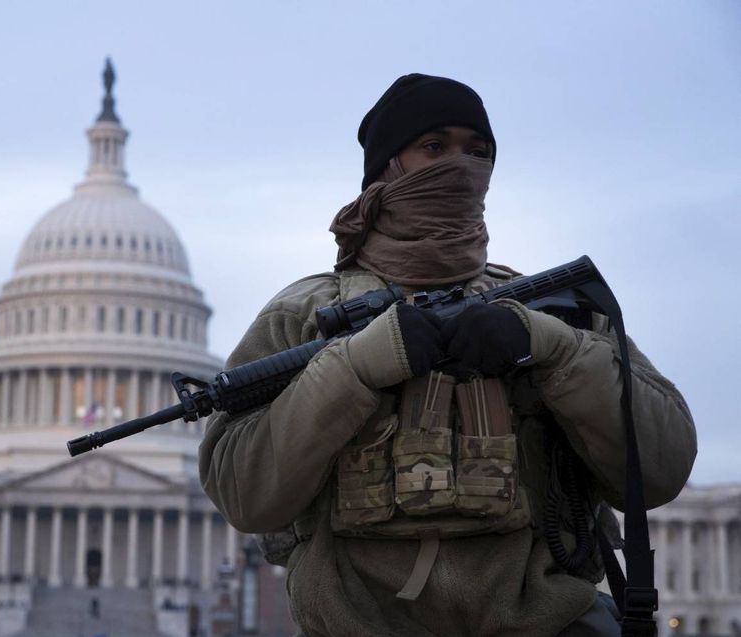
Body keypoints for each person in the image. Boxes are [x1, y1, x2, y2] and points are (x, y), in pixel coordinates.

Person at [198, 74, 696, 636]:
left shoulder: (555, 310)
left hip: (546, 622)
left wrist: (552, 350)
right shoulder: (303, 314)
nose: (460, 166)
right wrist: (355, 368)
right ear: (389, 166)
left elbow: (660, 469)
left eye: (477, 151)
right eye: (434, 147)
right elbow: (243, 494)